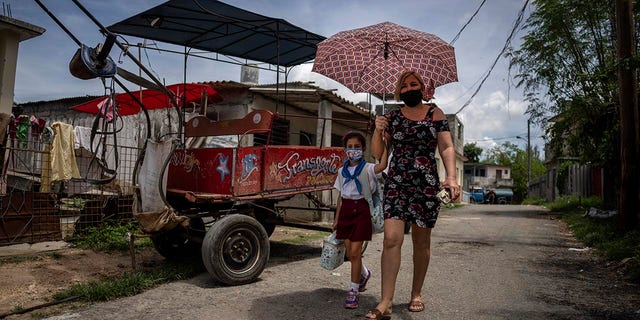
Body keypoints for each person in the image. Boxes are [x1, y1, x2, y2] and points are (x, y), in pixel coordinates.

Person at [366, 70, 460, 319]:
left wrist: (451, 177)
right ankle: (385, 301)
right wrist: (378, 130)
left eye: (414, 84)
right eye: (404, 86)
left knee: (421, 242)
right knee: (391, 240)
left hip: (426, 186)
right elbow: (379, 156)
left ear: (424, 88)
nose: (409, 89)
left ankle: (416, 293)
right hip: (396, 184)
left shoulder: (435, 113)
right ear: (399, 92)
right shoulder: (392, 117)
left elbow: (447, 146)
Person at [333, 130, 388, 309]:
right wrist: (336, 219)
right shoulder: (341, 171)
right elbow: (340, 197)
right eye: (350, 147)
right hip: (346, 211)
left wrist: (385, 144)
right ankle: (364, 274)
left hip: (362, 210)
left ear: (363, 149)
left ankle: (353, 291)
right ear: (345, 150)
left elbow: (383, 165)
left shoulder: (369, 168)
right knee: (350, 253)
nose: (353, 150)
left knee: (356, 252)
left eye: (357, 147)